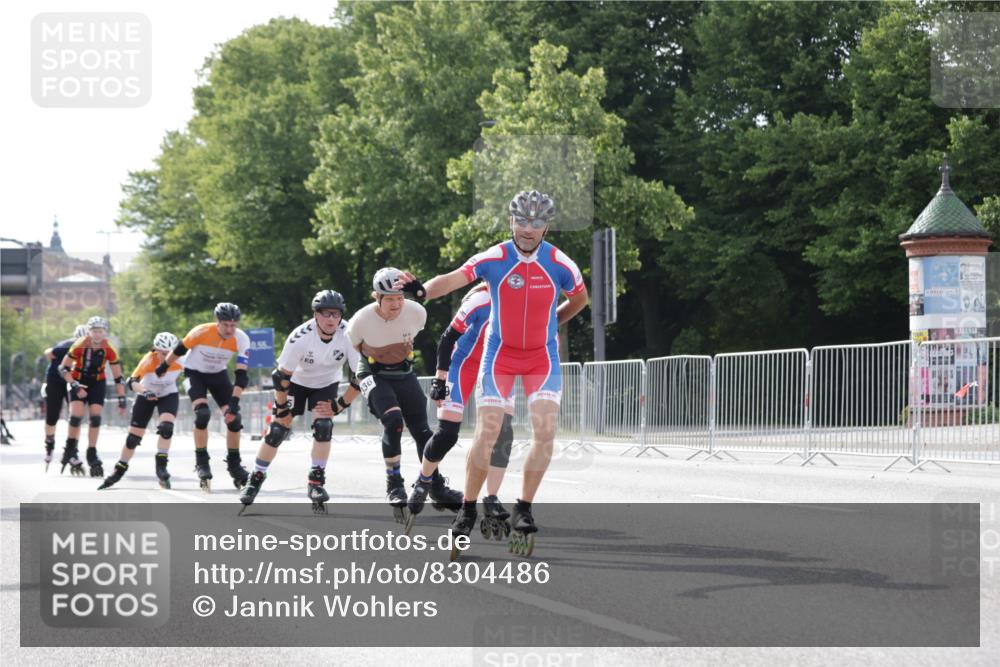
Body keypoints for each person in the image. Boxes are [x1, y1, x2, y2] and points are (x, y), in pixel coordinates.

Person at [396, 190, 589, 555]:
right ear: (510, 221)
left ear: (547, 225)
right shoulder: (496, 257)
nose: (528, 230)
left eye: (537, 222)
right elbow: (453, 278)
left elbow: (580, 300)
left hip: (541, 358)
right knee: (488, 431)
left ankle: (525, 508)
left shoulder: (561, 263)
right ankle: (468, 508)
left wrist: (553, 323)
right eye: (522, 221)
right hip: (499, 356)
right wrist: (422, 290)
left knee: (546, 431)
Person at [345, 268, 463, 524]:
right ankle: (394, 484)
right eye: (389, 299)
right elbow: (356, 350)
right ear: (376, 297)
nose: (396, 304)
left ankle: (436, 485)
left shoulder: (417, 312)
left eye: (399, 298)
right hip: (372, 372)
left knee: (423, 431)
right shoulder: (360, 321)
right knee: (393, 421)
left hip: (403, 371)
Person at [405, 283, 515, 538]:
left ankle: (491, 498)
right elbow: (447, 338)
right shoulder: (480, 301)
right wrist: (440, 379)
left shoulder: (526, 307)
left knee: (502, 433)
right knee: (447, 434)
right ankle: (424, 480)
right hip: (462, 366)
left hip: (496, 370)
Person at [239, 290, 361, 514]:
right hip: (297, 382)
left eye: (336, 315)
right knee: (277, 429)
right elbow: (281, 377)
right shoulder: (300, 336)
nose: (331, 319)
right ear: (315, 315)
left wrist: (339, 405)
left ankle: (316, 480)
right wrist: (282, 407)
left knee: (324, 426)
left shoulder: (349, 334)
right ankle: (255, 477)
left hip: (325, 384)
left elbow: (359, 377)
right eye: (326, 314)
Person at [156, 302, 250, 492]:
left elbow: (241, 375)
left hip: (219, 375)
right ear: (218, 322)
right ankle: (202, 462)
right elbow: (179, 350)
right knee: (202, 414)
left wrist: (234, 403)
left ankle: (234, 464)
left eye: (234, 325)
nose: (230, 329)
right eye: (226, 325)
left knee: (234, 419)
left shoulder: (241, 339)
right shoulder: (201, 331)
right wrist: (164, 366)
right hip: (195, 374)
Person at [98, 332, 184, 490]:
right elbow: (132, 382)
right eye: (163, 353)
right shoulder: (149, 359)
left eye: (170, 353)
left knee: (166, 428)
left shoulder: (180, 358)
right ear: (155, 350)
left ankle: (161, 466)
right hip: (146, 395)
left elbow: (197, 372)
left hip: (168, 394)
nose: (167, 357)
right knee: (133, 439)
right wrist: (145, 391)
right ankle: (120, 469)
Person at [56, 316, 127, 476]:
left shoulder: (108, 347)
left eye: (100, 331)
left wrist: (122, 399)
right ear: (89, 332)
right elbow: (63, 368)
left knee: (95, 418)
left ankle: (92, 451)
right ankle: (70, 447)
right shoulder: (80, 344)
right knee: (76, 417)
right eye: (94, 331)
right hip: (77, 380)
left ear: (104, 333)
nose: (97, 335)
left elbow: (118, 376)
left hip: (97, 383)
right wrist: (74, 385)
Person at [41, 324, 87, 470]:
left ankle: (73, 451)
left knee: (75, 417)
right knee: (52, 416)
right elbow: (48, 353)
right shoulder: (65, 345)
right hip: (56, 380)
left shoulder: (93, 349)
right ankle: (49, 443)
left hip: (73, 381)